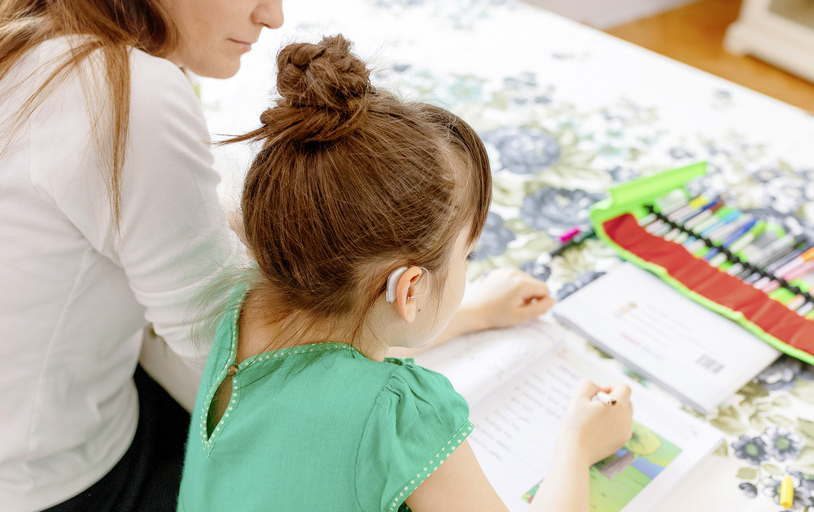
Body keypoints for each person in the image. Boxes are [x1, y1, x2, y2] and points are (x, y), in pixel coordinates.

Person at [0, 1, 559, 510]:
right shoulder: (130, 97)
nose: (273, 15)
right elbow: (251, 357)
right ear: (407, 288)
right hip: (33, 488)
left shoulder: (36, 29)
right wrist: (447, 319)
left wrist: (438, 306)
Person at [176, 35, 634, 512]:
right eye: (468, 257)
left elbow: (335, 354)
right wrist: (578, 447)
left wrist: (474, 313)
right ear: (409, 288)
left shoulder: (243, 305)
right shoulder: (401, 414)